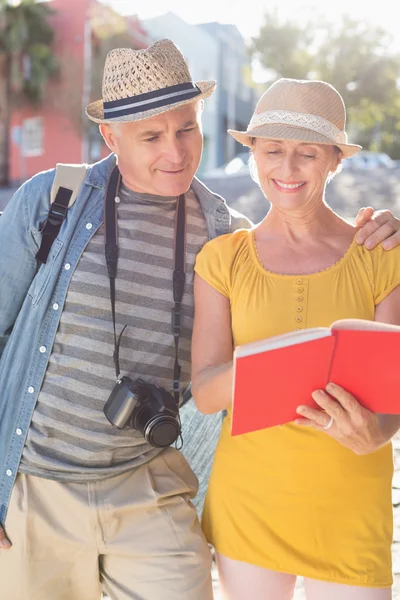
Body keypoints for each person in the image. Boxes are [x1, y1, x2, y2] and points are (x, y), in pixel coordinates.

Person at [0, 40, 398, 600]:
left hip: (149, 485)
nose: (176, 152)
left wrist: (387, 227)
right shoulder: (53, 201)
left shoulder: (222, 230)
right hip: (32, 487)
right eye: (151, 137)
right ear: (111, 139)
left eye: (186, 129)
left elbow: (300, 244)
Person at [191, 77, 400, 600]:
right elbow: (205, 389)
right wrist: (278, 364)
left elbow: (392, 395)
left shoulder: (382, 254)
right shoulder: (223, 260)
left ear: (334, 159)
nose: (286, 169)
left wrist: (380, 433)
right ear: (255, 156)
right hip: (251, 504)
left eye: (307, 153)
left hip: (351, 502)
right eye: (272, 151)